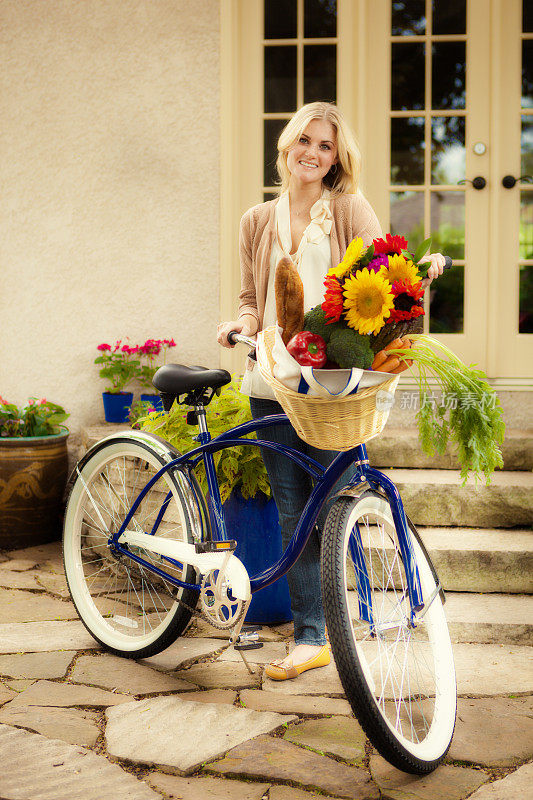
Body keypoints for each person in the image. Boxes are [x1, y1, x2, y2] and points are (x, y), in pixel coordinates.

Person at [217, 102, 445, 680]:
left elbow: (385, 278)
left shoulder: (348, 208)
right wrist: (240, 326)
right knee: (294, 511)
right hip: (272, 379)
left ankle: (350, 620)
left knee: (339, 503)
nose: (313, 153)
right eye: (306, 141)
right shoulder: (255, 220)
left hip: (336, 384)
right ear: (287, 144)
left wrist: (414, 284)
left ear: (336, 159)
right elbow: (252, 300)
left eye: (326, 147)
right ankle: (311, 635)